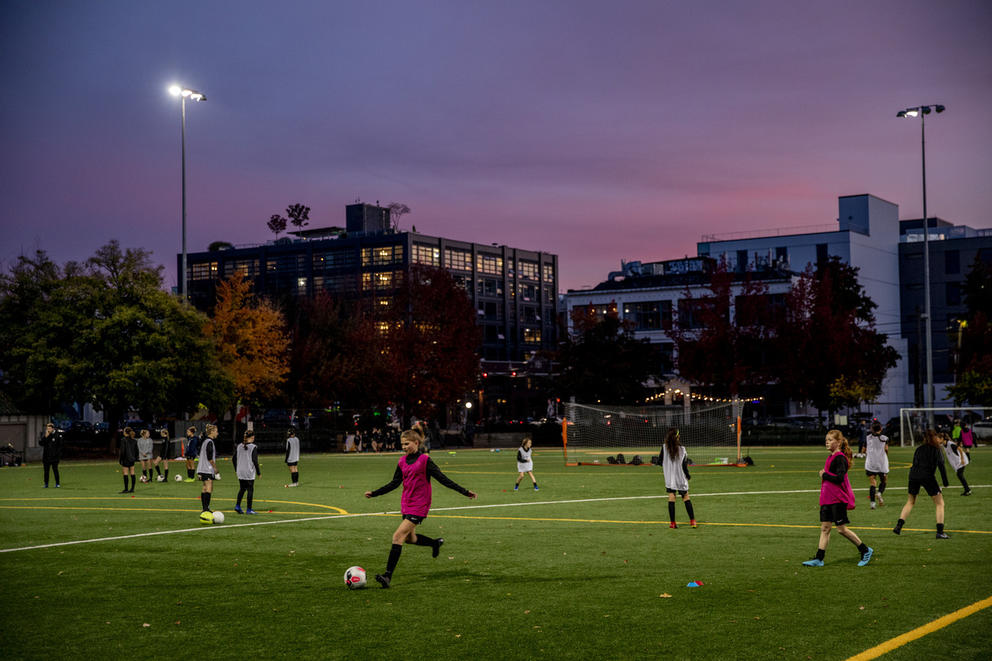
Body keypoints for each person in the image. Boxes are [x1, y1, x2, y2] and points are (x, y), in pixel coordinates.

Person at [365, 428, 477, 588]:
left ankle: (387, 576)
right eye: (402, 444)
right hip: (406, 504)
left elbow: (443, 479)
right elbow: (394, 483)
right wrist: (375, 493)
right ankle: (434, 543)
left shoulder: (425, 460)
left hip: (420, 505)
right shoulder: (402, 462)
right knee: (410, 538)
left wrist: (465, 492)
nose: (404, 447)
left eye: (407, 444)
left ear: (416, 443)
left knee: (397, 537)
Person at [803, 429, 873, 567]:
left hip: (837, 499)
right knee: (825, 528)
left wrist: (824, 475)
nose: (827, 442)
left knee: (841, 529)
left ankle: (865, 550)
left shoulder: (840, 458)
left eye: (830, 440)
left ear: (839, 442)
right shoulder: (830, 457)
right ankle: (819, 559)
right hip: (827, 499)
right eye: (826, 440)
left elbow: (840, 478)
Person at [893, 429, 950, 539]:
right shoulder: (936, 449)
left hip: (913, 475)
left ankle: (898, 526)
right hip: (927, 476)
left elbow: (914, 463)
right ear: (935, 437)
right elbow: (941, 466)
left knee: (910, 501)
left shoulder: (919, 449)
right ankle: (940, 532)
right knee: (940, 503)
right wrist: (945, 482)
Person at [659, 428, 695, 529]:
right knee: (686, 497)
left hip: (670, 478)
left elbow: (659, 461)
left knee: (671, 497)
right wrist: (688, 475)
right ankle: (692, 521)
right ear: (677, 437)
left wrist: (667, 466)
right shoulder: (682, 449)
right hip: (680, 478)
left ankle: (673, 523)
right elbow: (684, 466)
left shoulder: (664, 448)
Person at [233, 429, 261, 514]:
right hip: (248, 471)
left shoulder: (239, 446)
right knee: (250, 489)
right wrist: (259, 472)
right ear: (252, 437)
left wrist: (236, 469)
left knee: (242, 488)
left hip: (240, 471)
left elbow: (233, 459)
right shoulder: (253, 447)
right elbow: (255, 461)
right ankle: (249, 509)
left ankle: (237, 506)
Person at [864, 421, 889, 509]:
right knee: (883, 481)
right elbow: (886, 450)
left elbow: (864, 450)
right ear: (881, 428)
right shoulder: (885, 438)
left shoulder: (867, 438)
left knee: (872, 483)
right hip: (882, 463)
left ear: (871, 429)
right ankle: (879, 493)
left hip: (871, 463)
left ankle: (872, 504)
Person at [195, 424, 220, 513]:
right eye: (216, 431)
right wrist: (215, 468)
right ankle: (206, 509)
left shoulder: (205, 441)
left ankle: (205, 508)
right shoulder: (210, 442)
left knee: (205, 487)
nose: (217, 433)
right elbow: (209, 457)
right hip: (207, 468)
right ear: (212, 432)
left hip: (202, 468)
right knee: (209, 487)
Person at [944, 431, 971, 496]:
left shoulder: (950, 444)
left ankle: (968, 490)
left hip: (961, 461)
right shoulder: (944, 444)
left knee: (960, 475)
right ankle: (967, 490)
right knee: (959, 475)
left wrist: (962, 459)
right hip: (958, 462)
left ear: (943, 439)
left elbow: (960, 449)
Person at [39, 422, 63, 488]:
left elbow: (60, 446)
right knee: (46, 471)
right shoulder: (46, 435)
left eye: (49, 428)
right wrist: (45, 437)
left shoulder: (57, 435)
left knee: (55, 470)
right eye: (47, 428)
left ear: (52, 428)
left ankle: (57, 483)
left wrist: (58, 455)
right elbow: (41, 443)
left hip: (54, 457)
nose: (48, 429)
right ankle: (46, 484)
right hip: (46, 457)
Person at [118, 426, 138, 493]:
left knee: (125, 473)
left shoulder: (123, 440)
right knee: (132, 473)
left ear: (125, 432)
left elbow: (122, 451)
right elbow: (136, 451)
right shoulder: (134, 440)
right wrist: (135, 458)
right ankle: (132, 489)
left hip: (126, 459)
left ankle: (126, 489)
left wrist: (120, 459)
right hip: (132, 459)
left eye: (123, 431)